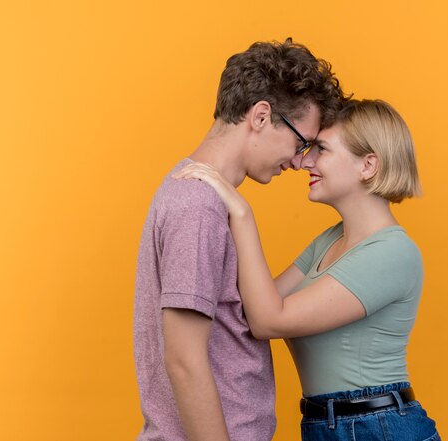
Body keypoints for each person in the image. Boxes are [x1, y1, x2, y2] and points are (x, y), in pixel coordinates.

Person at [173, 99, 441, 441]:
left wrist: (241, 214)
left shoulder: (393, 253)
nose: (304, 161)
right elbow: (251, 307)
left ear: (368, 165)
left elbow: (269, 320)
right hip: (324, 425)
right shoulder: (329, 241)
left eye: (322, 150)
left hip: (379, 428)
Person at [133, 39, 347, 441]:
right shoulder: (197, 205)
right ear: (262, 116)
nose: (301, 161)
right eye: (302, 143)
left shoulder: (207, 198)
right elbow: (183, 359)